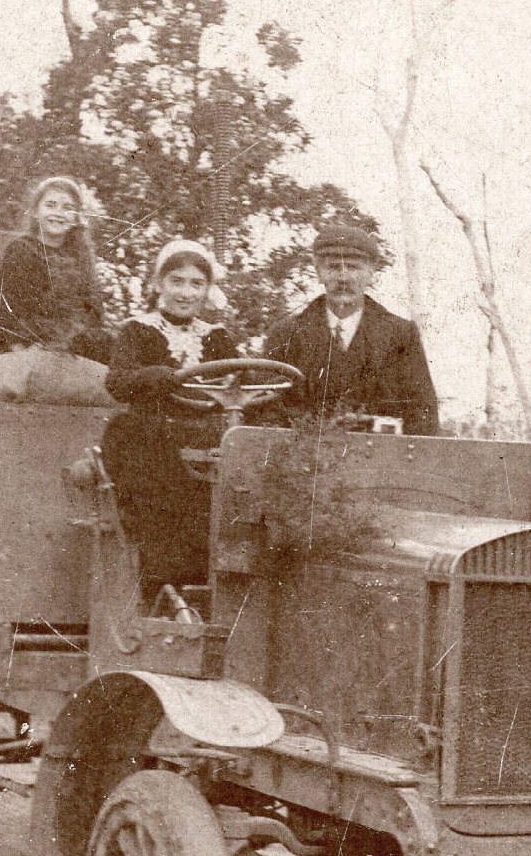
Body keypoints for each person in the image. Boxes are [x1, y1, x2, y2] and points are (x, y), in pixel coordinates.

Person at [101, 239, 240, 590]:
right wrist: (157, 376)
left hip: (205, 434)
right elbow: (117, 381)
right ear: (159, 284)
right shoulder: (139, 330)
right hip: (152, 435)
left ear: (208, 290)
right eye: (177, 281)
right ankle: (161, 585)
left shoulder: (216, 337)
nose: (186, 292)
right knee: (158, 488)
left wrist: (248, 383)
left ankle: (219, 584)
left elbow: (242, 376)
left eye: (197, 284)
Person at [263, 222, 439, 437]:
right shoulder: (286, 333)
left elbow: (423, 416)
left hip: (381, 462)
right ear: (319, 272)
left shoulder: (401, 335)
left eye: (353, 268)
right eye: (334, 267)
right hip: (305, 461)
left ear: (371, 273)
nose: (343, 278)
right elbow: (267, 414)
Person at [0, 174, 112, 362]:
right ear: (36, 212)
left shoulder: (81, 254)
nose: (58, 213)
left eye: (67, 208)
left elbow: (93, 307)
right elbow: (4, 308)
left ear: (76, 217)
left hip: (74, 346)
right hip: (25, 346)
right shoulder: (20, 249)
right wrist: (20, 348)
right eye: (50, 205)